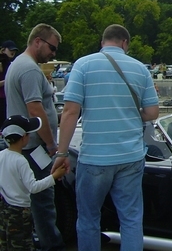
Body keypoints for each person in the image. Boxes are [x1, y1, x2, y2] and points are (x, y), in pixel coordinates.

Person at [52, 24, 159, 251]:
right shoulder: (141, 69)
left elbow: (71, 111)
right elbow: (152, 113)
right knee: (130, 219)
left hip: (95, 156)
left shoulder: (83, 64)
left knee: (89, 218)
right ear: (125, 43)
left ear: (103, 42)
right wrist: (130, 112)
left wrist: (62, 153)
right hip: (131, 156)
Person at [5, 23, 64, 250]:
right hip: (34, 149)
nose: (53, 54)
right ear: (38, 41)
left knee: (26, 203)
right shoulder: (29, 70)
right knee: (44, 205)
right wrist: (51, 145)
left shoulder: (17, 64)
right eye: (52, 48)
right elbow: (35, 111)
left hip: (22, 146)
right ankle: (52, 246)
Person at [0, 115, 67, 250]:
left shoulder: (1, 155)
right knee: (23, 244)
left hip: (5, 207)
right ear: (24, 137)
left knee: (6, 242)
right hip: (20, 211)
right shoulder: (21, 161)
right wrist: (54, 177)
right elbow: (33, 187)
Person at [0, 40, 18, 126]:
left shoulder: (10, 64)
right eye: (10, 50)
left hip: (8, 98)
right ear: (3, 50)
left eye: (14, 50)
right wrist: (8, 80)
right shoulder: (2, 63)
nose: (13, 52)